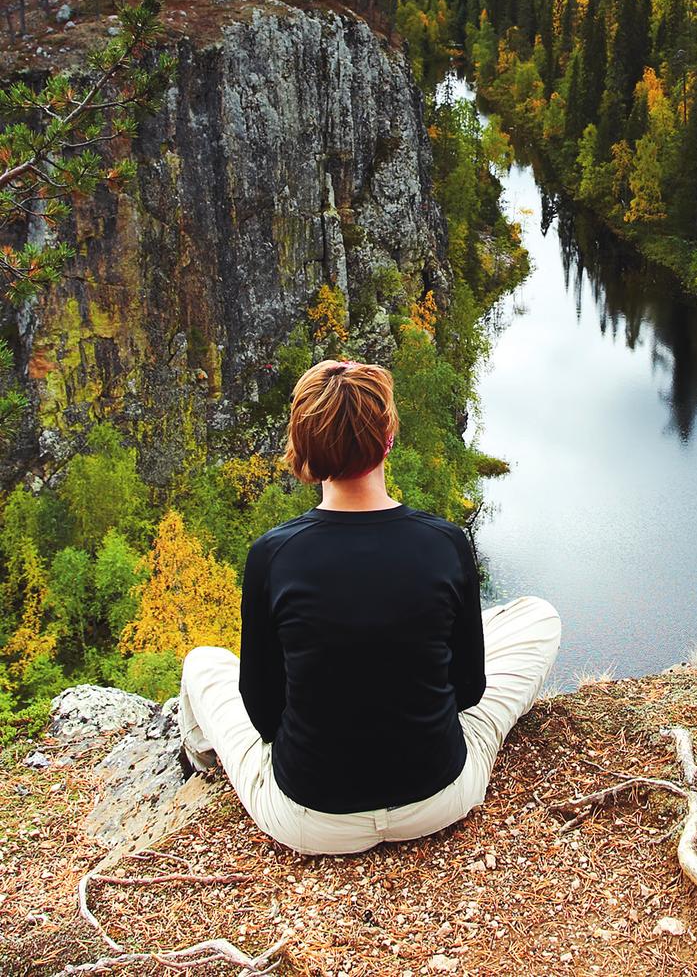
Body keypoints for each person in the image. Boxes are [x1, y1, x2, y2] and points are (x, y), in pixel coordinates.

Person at [177, 358, 561, 855]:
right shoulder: (444, 543)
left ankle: (199, 767)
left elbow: (265, 714)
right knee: (538, 616)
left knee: (203, 662)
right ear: (388, 440)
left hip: (309, 819)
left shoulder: (272, 556)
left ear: (304, 451)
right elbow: (468, 691)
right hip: (441, 796)